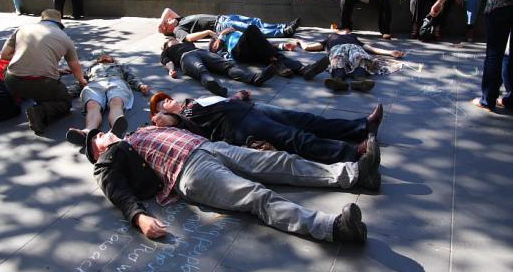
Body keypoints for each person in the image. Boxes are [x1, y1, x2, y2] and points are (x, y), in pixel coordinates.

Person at [86, 125, 380, 242]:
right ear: (98, 151)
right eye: (98, 137)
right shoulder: (108, 159)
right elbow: (117, 190)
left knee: (281, 162)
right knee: (257, 196)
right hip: (189, 172)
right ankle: (334, 229)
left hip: (210, 147)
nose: (104, 134)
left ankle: (354, 174)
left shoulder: (137, 131)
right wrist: (139, 219)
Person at [150, 91, 384, 165]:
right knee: (295, 137)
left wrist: (237, 96)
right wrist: (175, 119)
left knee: (307, 119)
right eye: (161, 106)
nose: (166, 102)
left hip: (250, 108)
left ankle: (361, 126)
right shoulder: (185, 119)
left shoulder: (194, 101)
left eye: (165, 99)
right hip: (240, 126)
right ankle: (353, 154)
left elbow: (221, 101)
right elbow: (200, 135)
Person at [0, 9, 87, 134]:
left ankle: (24, 94)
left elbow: (5, 55)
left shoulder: (22, 29)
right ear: (59, 24)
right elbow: (74, 66)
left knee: (11, 72)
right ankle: (39, 111)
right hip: (43, 84)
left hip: (12, 81)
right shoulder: (65, 38)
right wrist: (81, 80)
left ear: (41, 20)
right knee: (65, 102)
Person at [66, 52, 149, 146]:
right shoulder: (91, 68)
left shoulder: (120, 66)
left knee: (116, 101)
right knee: (92, 104)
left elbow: (130, 76)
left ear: (112, 59)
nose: (104, 56)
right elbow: (80, 80)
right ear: (98, 60)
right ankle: (87, 131)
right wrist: (68, 93)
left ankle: (115, 129)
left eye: (108, 55)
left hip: (116, 81)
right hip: (95, 83)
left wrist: (140, 86)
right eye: (101, 56)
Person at [161, 37, 275, 96]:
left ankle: (254, 78)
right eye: (170, 41)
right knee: (200, 69)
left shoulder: (187, 43)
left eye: (173, 39)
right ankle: (213, 85)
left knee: (227, 66)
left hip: (201, 51)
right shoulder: (168, 51)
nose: (172, 40)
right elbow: (166, 61)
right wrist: (171, 70)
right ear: (167, 46)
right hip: (186, 58)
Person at [209, 24, 329, 79]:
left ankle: (302, 69)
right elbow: (215, 47)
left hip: (250, 52)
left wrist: (280, 46)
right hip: (238, 52)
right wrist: (219, 36)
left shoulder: (241, 35)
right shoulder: (220, 39)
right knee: (252, 28)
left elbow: (263, 44)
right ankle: (276, 63)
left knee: (274, 54)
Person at [296, 33, 405, 92]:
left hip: (354, 48)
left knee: (359, 56)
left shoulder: (353, 37)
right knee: (338, 57)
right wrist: (300, 41)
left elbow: (369, 48)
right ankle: (338, 81)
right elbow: (308, 47)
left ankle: (360, 80)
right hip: (337, 48)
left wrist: (390, 52)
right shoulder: (329, 37)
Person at [157, 7, 300, 40]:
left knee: (255, 21)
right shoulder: (178, 29)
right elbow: (187, 38)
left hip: (223, 17)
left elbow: (167, 9)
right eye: (167, 22)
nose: (168, 18)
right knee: (250, 28)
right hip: (219, 26)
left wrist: (160, 23)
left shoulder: (180, 19)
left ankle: (283, 26)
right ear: (170, 29)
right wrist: (207, 33)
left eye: (167, 19)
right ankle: (284, 32)